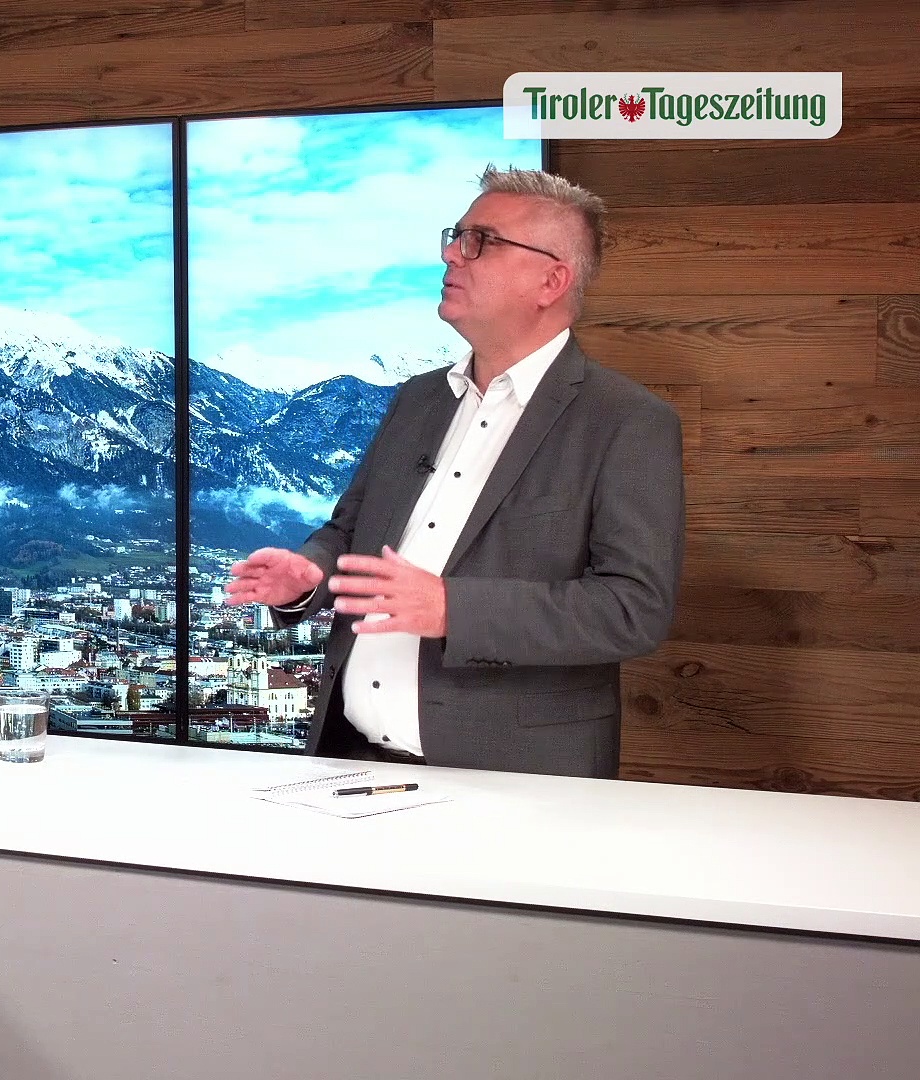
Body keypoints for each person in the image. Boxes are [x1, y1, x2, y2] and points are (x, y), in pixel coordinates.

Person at [225, 167, 683, 779]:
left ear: (551, 280)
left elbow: (633, 609)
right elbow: (351, 532)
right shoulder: (418, 399)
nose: (450, 253)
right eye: (456, 235)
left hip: (517, 783)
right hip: (348, 763)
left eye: (481, 241)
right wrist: (310, 575)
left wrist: (451, 608)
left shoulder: (626, 421)